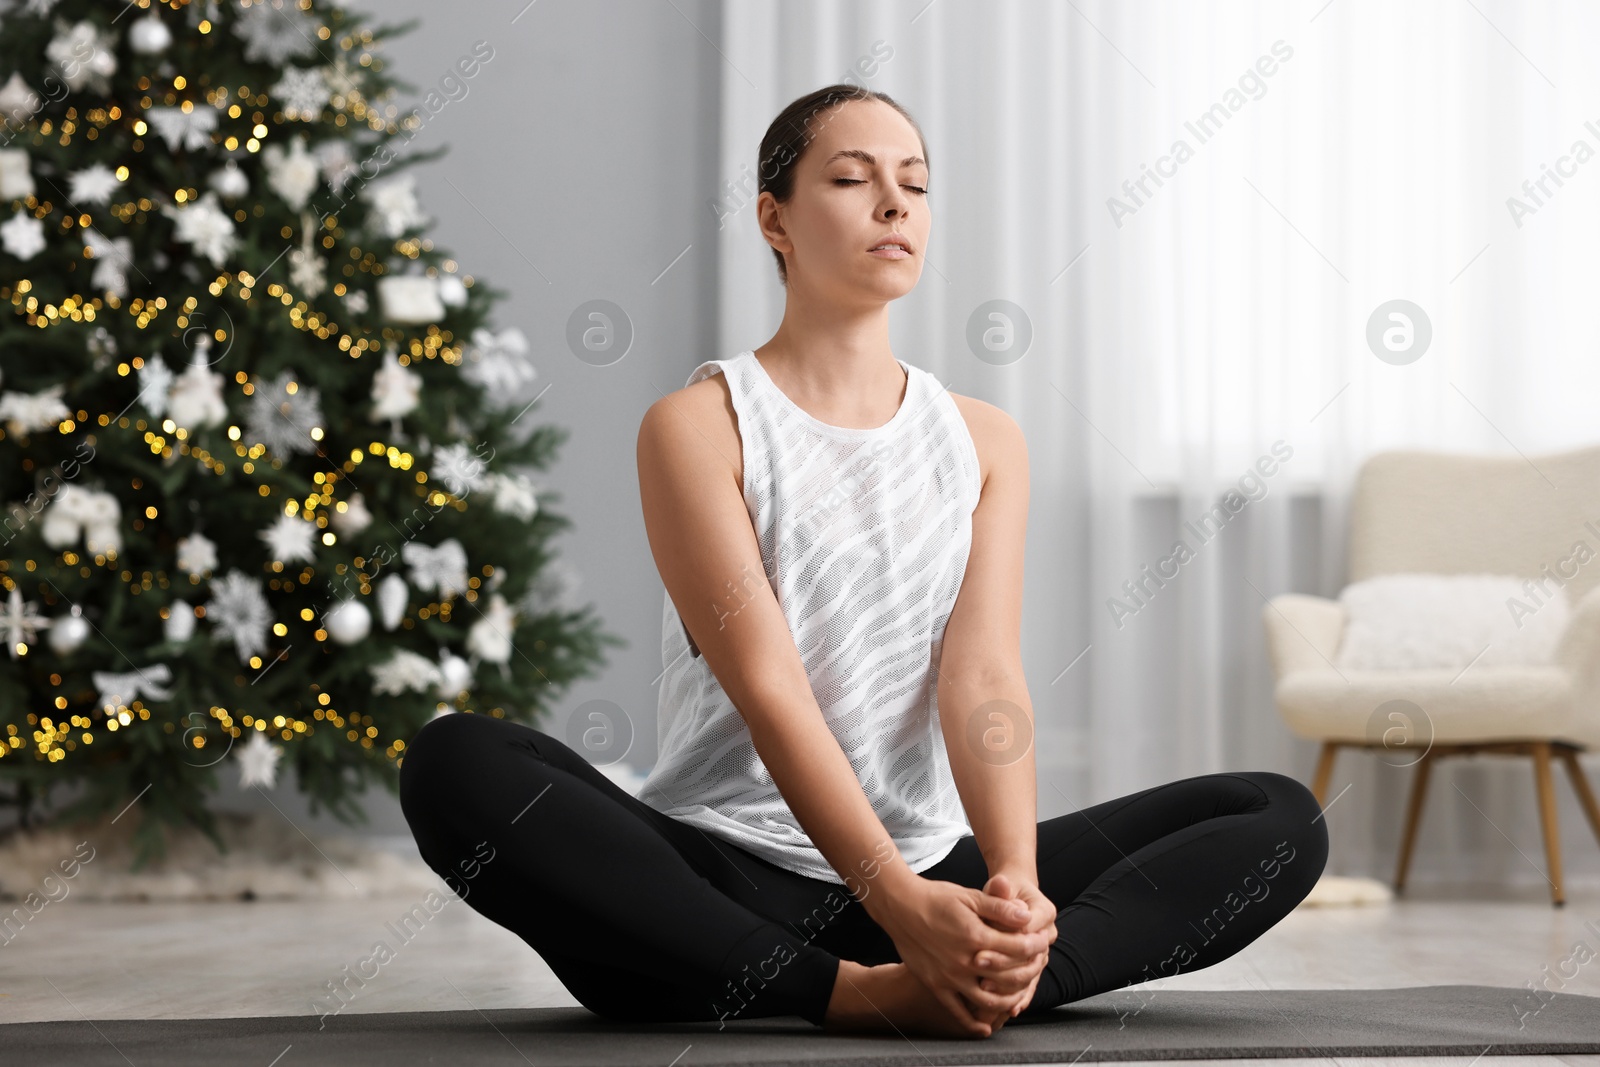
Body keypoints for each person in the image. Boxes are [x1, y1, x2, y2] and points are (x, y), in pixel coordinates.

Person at [399, 84, 1328, 1039]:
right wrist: (893, 903)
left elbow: (983, 676)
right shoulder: (698, 426)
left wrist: (1010, 883)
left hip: (934, 875)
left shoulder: (985, 439)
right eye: (851, 178)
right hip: (726, 882)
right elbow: (770, 688)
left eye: (915, 185)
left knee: (1277, 814)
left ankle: (996, 978)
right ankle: (852, 989)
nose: (894, 204)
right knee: (456, 760)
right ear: (776, 218)